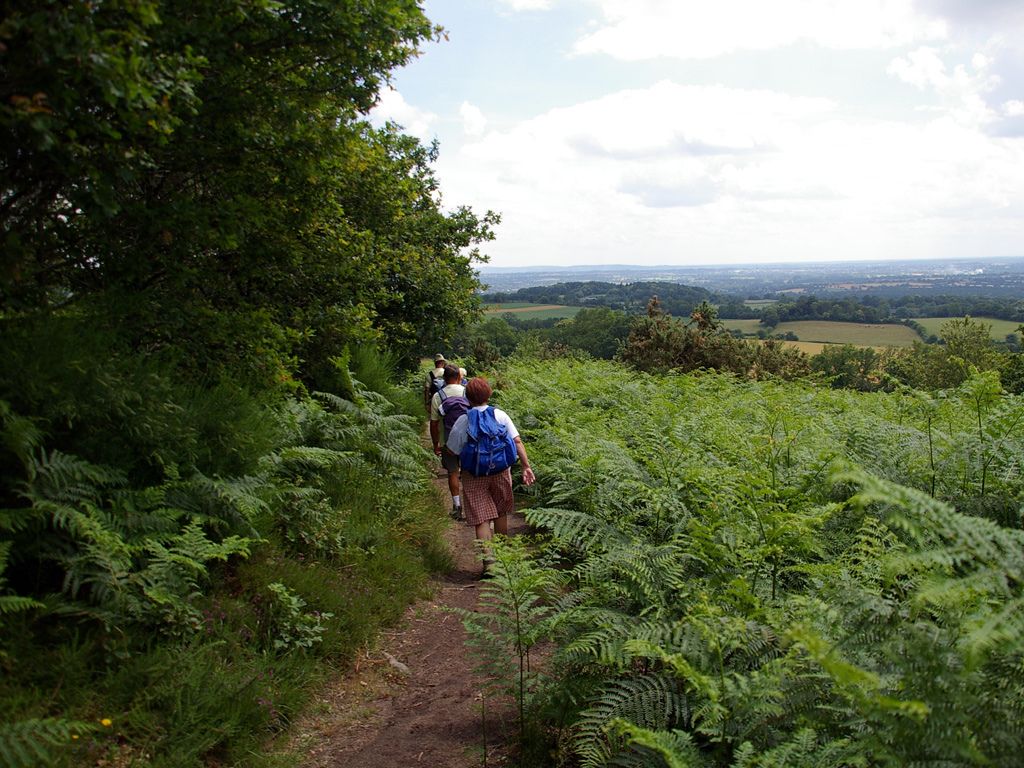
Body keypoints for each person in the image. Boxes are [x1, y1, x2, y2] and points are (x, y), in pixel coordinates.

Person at [446, 377, 535, 570]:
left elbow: (452, 450)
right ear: (489, 394)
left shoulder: (464, 420)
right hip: (501, 470)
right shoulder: (500, 415)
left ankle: (489, 562)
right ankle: (503, 557)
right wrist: (526, 466)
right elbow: (517, 441)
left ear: (467, 398)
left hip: (473, 474)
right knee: (500, 511)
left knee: (481, 517)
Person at [429, 364, 468, 519]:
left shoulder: (438, 396)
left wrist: (436, 444)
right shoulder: (467, 392)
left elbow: (434, 424)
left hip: (448, 442)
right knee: (468, 473)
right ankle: (472, 507)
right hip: (467, 440)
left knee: (453, 472)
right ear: (459, 377)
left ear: (444, 379)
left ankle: (457, 506)